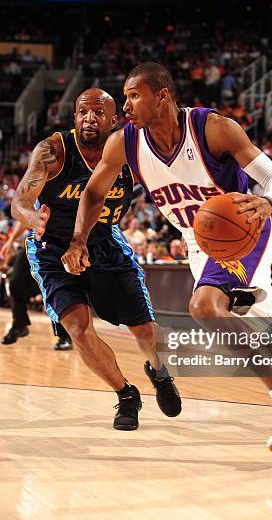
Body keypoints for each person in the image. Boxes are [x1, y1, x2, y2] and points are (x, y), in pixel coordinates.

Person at [62, 64, 272, 452]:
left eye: (134, 95)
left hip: (243, 234)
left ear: (163, 96)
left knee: (204, 307)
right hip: (197, 245)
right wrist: (78, 239)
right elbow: (91, 194)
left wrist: (266, 201)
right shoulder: (124, 143)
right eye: (125, 97)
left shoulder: (213, 128)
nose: (125, 105)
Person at [11, 87, 181, 430]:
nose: (89, 119)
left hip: (104, 242)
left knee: (146, 330)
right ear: (74, 117)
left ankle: (159, 372)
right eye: (82, 113)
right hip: (53, 247)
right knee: (78, 328)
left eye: (98, 113)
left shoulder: (130, 151)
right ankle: (126, 394)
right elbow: (20, 201)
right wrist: (33, 219)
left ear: (113, 120)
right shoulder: (53, 150)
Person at [0, 221, 72, 349]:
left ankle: (64, 335)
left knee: (54, 288)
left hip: (60, 242)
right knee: (15, 283)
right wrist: (11, 240)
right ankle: (20, 325)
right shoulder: (34, 201)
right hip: (34, 240)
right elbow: (24, 219)